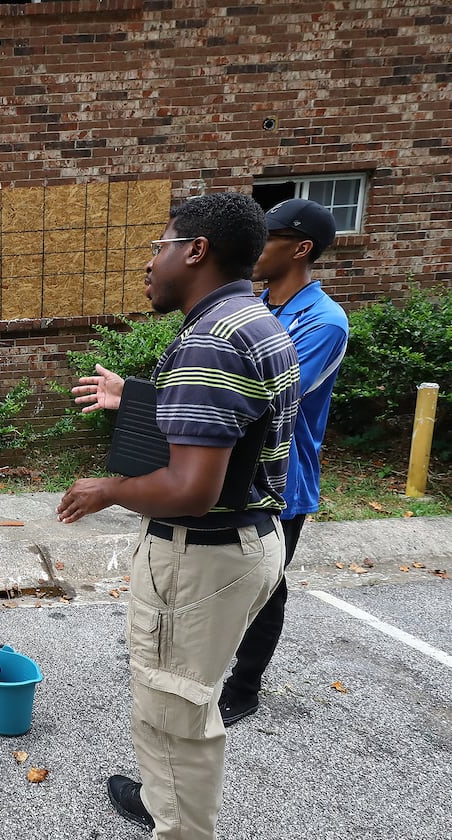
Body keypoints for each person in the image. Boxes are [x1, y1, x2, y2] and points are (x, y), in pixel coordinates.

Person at [55, 192, 300, 839]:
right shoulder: (255, 319)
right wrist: (133, 397)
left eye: (158, 246)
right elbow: (232, 428)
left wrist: (108, 489)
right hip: (249, 544)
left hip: (203, 555)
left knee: (171, 713)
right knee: (184, 702)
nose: (149, 262)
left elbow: (193, 488)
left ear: (196, 251)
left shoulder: (211, 342)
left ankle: (179, 826)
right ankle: (166, 801)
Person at [219, 198, 348, 726]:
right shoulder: (260, 308)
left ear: (300, 248)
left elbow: (268, 394)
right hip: (234, 471)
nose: (256, 247)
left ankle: (244, 686)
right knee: (227, 575)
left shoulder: (324, 322)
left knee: (267, 586)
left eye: (267, 237)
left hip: (282, 482)